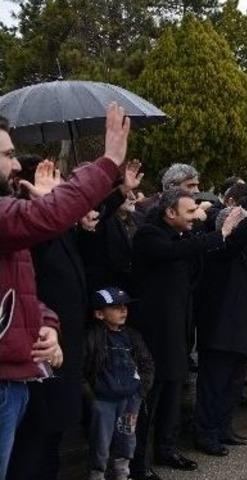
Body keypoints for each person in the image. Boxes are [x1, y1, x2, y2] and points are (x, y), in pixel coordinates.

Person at [0, 103, 129, 479]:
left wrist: (48, 323)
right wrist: (107, 163)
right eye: (7, 155)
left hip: (23, 376)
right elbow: (45, 219)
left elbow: (21, 294)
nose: (13, 165)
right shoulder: (13, 216)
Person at [129, 189, 244, 478]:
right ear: (170, 212)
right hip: (155, 332)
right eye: (189, 211)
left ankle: (166, 449)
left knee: (173, 392)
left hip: (180, 328)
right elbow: (173, 252)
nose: (196, 216)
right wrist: (220, 234)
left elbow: (192, 260)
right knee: (151, 397)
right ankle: (138, 463)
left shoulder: (182, 236)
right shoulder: (149, 234)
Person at [193, 183, 247, 456]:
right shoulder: (218, 251)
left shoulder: (245, 257)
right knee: (213, 386)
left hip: (242, 332)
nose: (243, 226)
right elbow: (236, 239)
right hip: (219, 332)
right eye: (239, 221)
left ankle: (223, 428)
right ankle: (206, 434)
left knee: (232, 387)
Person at [83, 287, 154, 480]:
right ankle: (97, 475)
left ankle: (122, 474)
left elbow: (146, 363)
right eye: (115, 307)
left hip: (130, 400)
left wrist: (140, 392)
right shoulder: (93, 337)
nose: (123, 310)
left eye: (125, 306)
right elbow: (83, 370)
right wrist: (93, 398)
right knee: (101, 442)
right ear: (99, 313)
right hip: (104, 401)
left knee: (127, 440)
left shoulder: (132, 336)